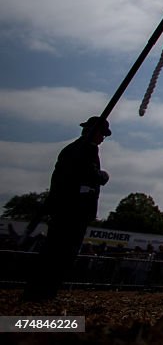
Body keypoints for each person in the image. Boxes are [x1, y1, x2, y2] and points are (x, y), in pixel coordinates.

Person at [22, 115, 111, 302]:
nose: (103, 138)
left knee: (59, 252)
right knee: (60, 252)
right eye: (102, 134)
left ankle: (44, 291)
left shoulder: (77, 149)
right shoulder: (83, 150)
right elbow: (86, 175)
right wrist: (102, 176)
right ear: (94, 132)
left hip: (69, 208)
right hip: (72, 209)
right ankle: (42, 292)